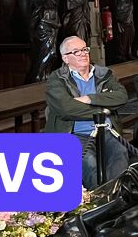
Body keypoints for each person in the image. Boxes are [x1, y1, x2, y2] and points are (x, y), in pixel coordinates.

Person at [43, 36, 130, 189]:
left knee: (120, 154)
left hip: (107, 131)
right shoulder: (57, 79)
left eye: (85, 49)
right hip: (75, 134)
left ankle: (116, 198)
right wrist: (102, 110)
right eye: (76, 51)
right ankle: (100, 201)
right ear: (65, 58)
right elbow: (65, 108)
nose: (83, 54)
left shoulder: (104, 74)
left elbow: (121, 96)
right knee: (88, 162)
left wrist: (89, 98)